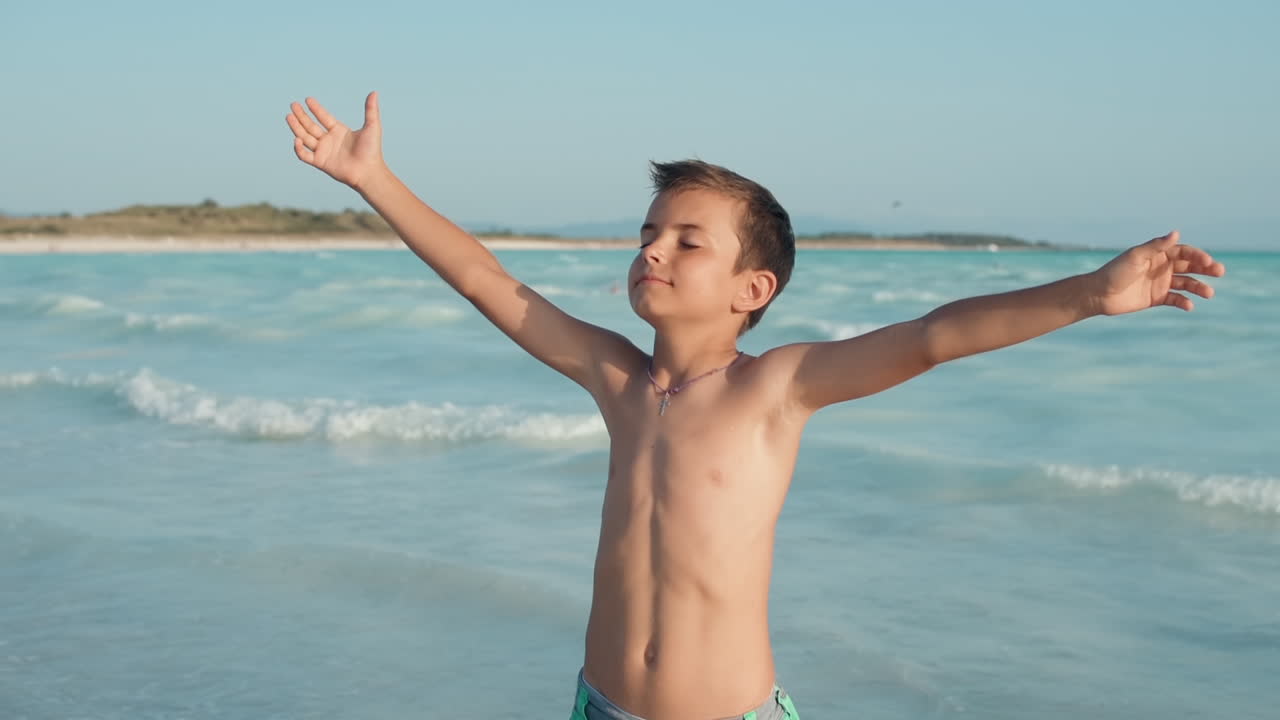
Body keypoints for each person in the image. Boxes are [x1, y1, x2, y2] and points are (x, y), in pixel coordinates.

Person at [285, 92, 1225, 720]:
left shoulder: (776, 390)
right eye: (650, 233)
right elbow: (487, 281)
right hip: (596, 705)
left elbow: (937, 334)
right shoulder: (616, 380)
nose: (653, 250)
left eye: (688, 241)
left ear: (752, 287)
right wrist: (373, 179)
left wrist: (1090, 296)